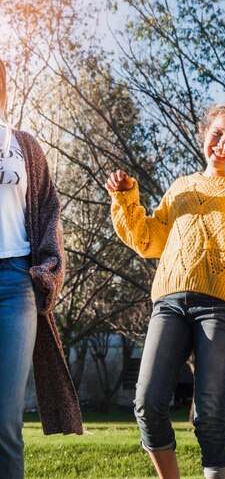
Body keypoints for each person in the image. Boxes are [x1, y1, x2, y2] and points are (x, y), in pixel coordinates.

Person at [106, 100, 225, 479]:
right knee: (147, 403)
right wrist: (127, 199)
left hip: (222, 308)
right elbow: (149, 240)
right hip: (169, 304)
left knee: (209, 414)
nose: (223, 143)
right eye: (217, 134)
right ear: (204, 135)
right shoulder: (182, 187)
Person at [0, 60, 82, 479]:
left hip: (15, 285)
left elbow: (49, 208)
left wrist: (49, 268)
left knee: (5, 422)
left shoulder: (23, 145)